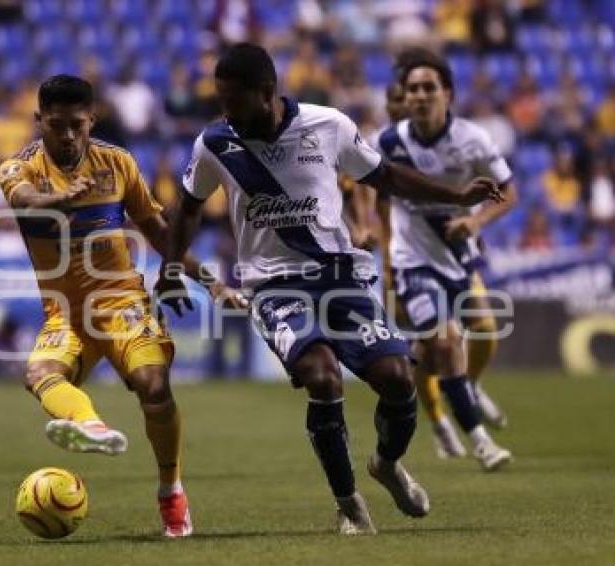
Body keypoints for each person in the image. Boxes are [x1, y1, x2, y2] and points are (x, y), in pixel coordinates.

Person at [156, 43, 504, 535]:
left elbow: (386, 176)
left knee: (398, 380)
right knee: (322, 378)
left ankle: (385, 464)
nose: (227, 113)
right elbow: (188, 209)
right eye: (222, 102)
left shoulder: (328, 125)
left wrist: (457, 197)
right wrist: (171, 271)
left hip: (342, 277)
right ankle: (349, 504)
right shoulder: (215, 143)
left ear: (268, 93)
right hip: (275, 286)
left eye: (236, 102)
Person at [0, 75, 241, 538]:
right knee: (38, 373)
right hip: (66, 314)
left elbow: (159, 231)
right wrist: (55, 199)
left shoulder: (119, 163)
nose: (67, 136)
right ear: (38, 122)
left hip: (123, 302)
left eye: (76, 125)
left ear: (92, 119)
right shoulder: (18, 168)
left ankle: (171, 491)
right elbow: (24, 201)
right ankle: (91, 425)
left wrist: (211, 283)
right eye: (56, 126)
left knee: (153, 386)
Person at [375, 48, 516, 469]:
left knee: (473, 331)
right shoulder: (391, 141)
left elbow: (508, 193)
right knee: (445, 339)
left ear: (447, 94)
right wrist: (380, 247)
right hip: (411, 258)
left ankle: (464, 392)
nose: (419, 95)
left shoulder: (474, 140)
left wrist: (476, 224)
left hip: (457, 254)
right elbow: (376, 192)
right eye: (412, 88)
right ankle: (479, 439)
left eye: (428, 88)